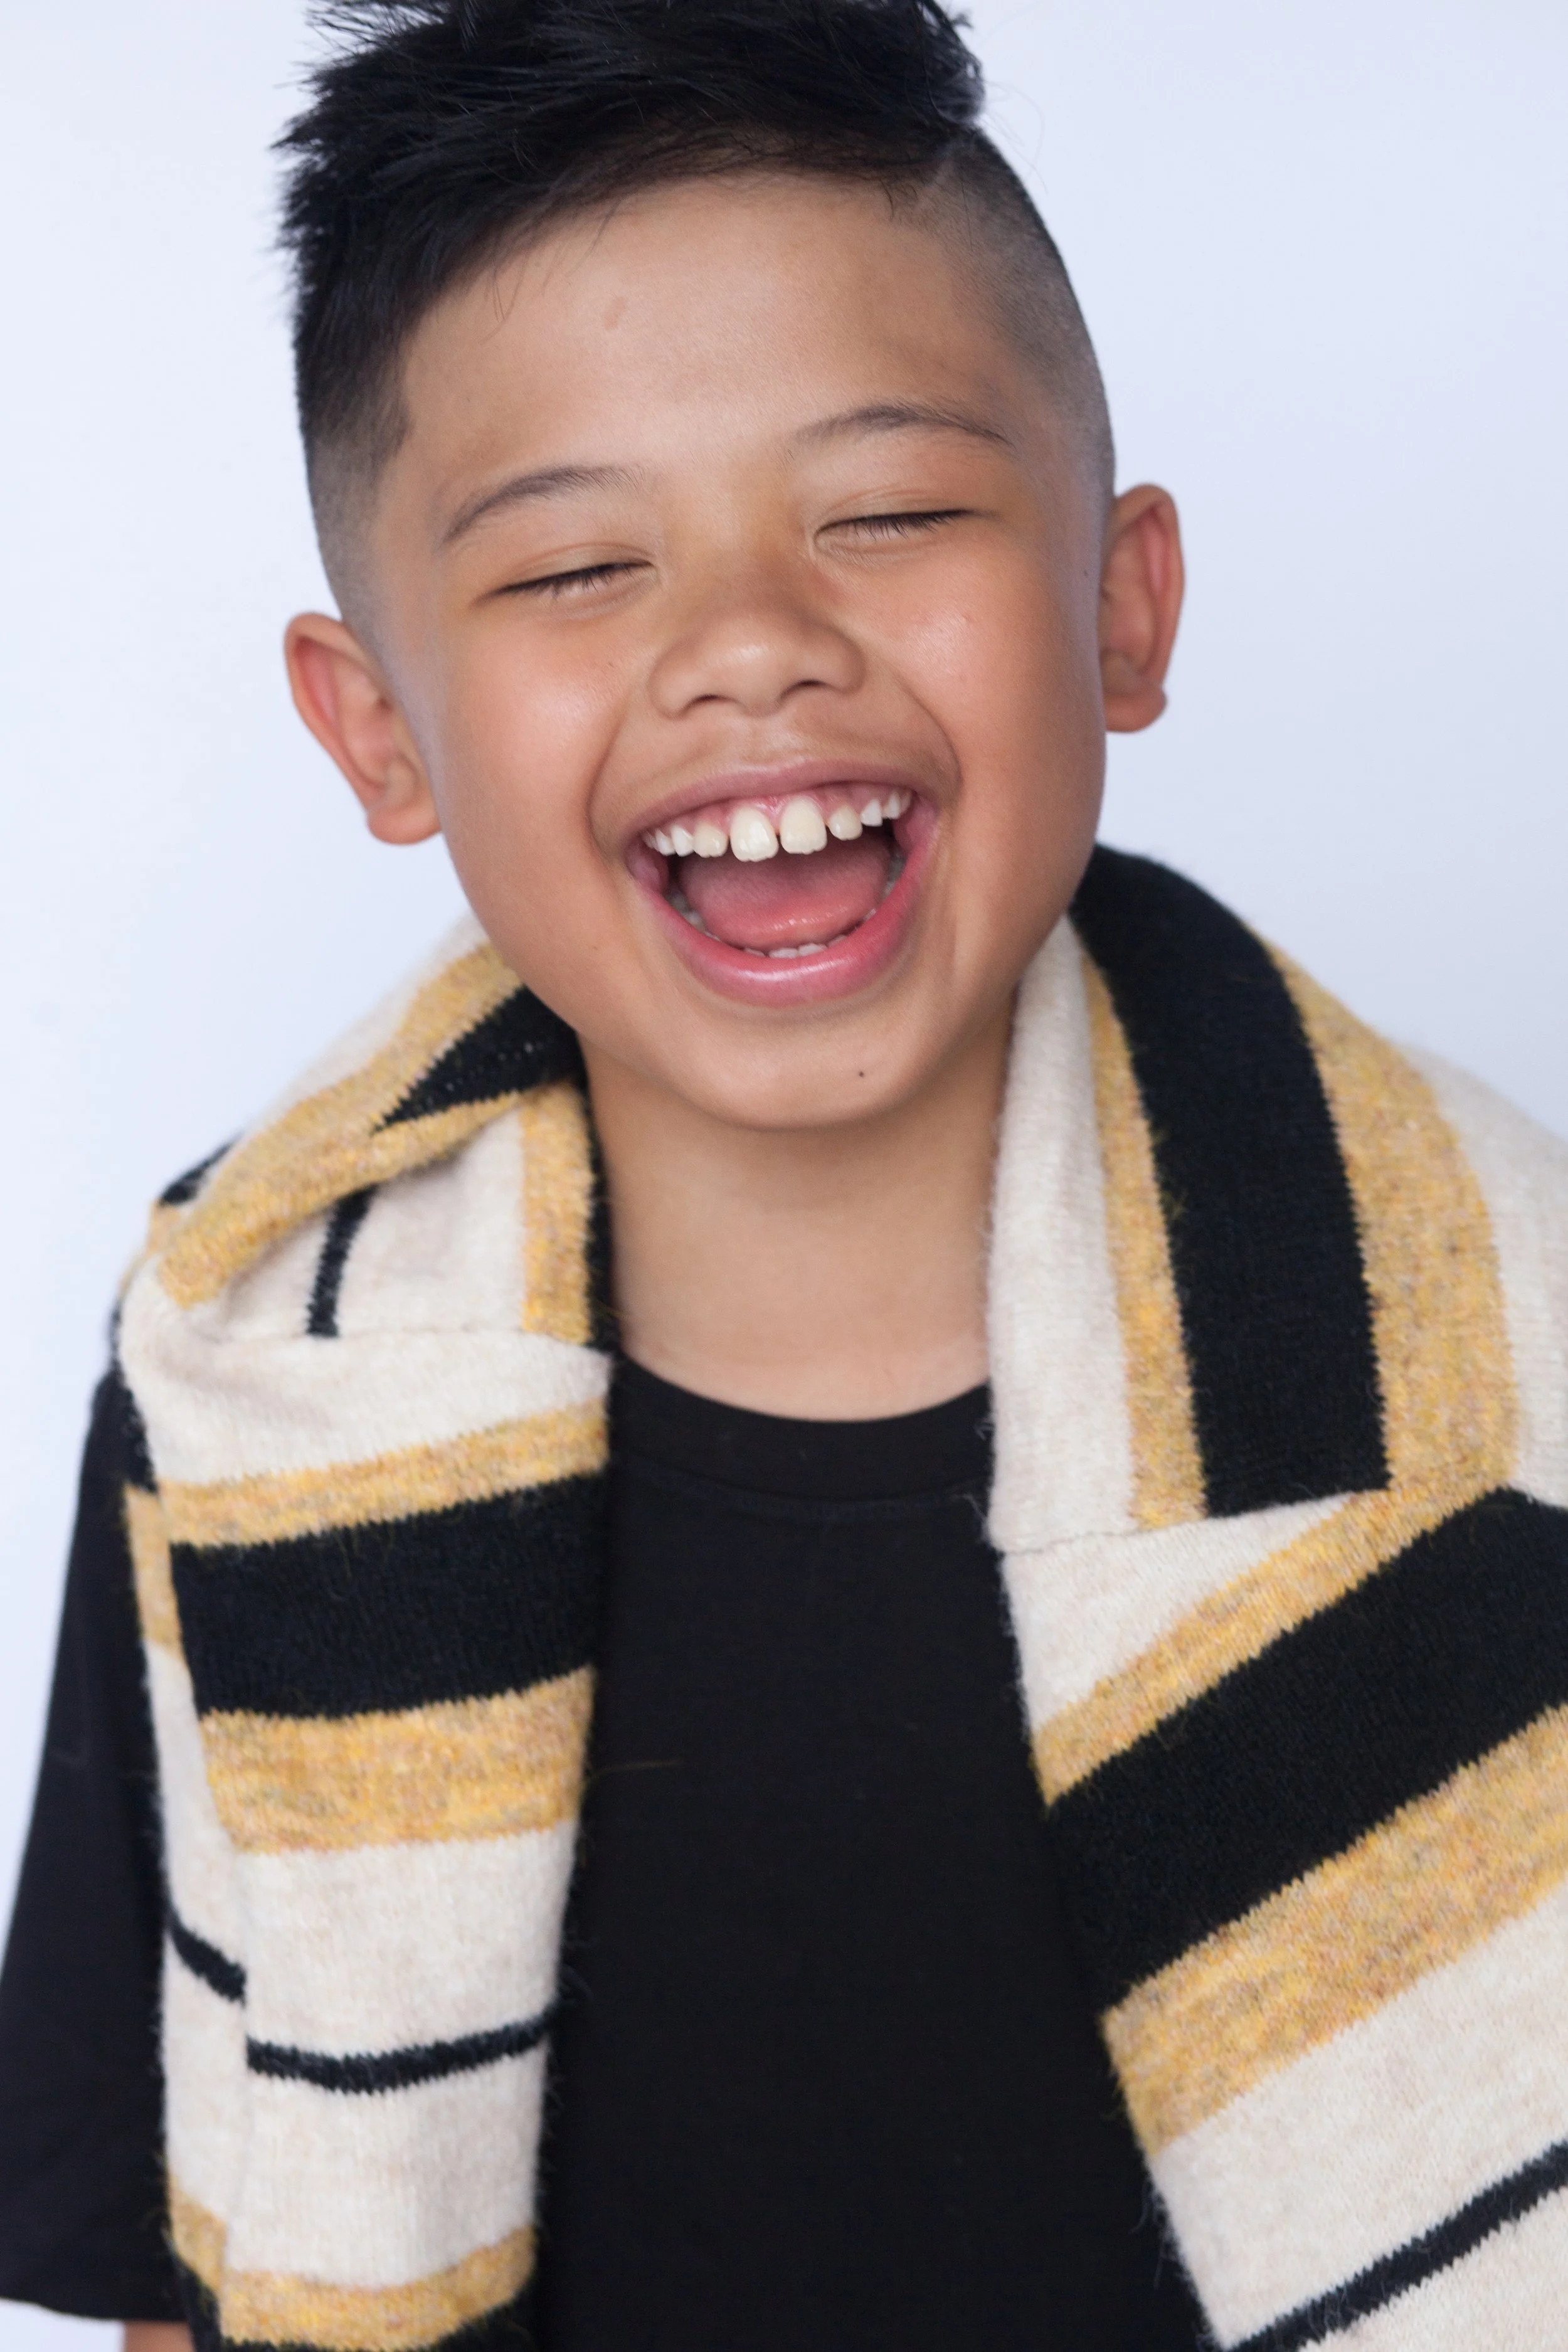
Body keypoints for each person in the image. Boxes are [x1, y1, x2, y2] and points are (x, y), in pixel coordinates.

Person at [3, 1, 1567, 2347]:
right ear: (376, 728)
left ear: (1122, 604)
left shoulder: (1518, 1356)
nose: (746, 644)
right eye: (567, 572)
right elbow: (183, 2266)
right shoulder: (256, 1369)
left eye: (894, 512)